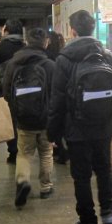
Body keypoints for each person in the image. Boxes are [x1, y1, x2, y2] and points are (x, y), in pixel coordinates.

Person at [47, 10, 112, 224]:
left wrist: (52, 132)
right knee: (104, 170)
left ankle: (88, 223)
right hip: (104, 125)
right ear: (92, 29)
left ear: (72, 31)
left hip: (76, 128)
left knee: (81, 176)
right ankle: (109, 215)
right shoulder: (107, 55)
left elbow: (58, 99)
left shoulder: (65, 59)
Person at [3, 28, 55, 208]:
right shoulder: (49, 65)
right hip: (45, 118)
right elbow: (56, 93)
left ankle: (23, 181)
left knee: (24, 153)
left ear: (27, 41)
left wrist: (17, 110)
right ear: (45, 43)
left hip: (23, 118)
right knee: (46, 152)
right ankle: (46, 187)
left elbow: (6, 90)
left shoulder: (14, 63)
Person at [0, 18, 25, 164]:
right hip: (24, 89)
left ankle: (13, 151)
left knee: (9, 121)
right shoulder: (24, 46)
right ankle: (23, 149)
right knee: (21, 121)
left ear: (7, 31)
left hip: (4, 90)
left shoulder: (0, 48)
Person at [46, 31, 68, 164]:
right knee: (63, 123)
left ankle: (60, 151)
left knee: (55, 123)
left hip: (52, 93)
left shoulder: (47, 56)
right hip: (65, 93)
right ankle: (63, 150)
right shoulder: (63, 54)